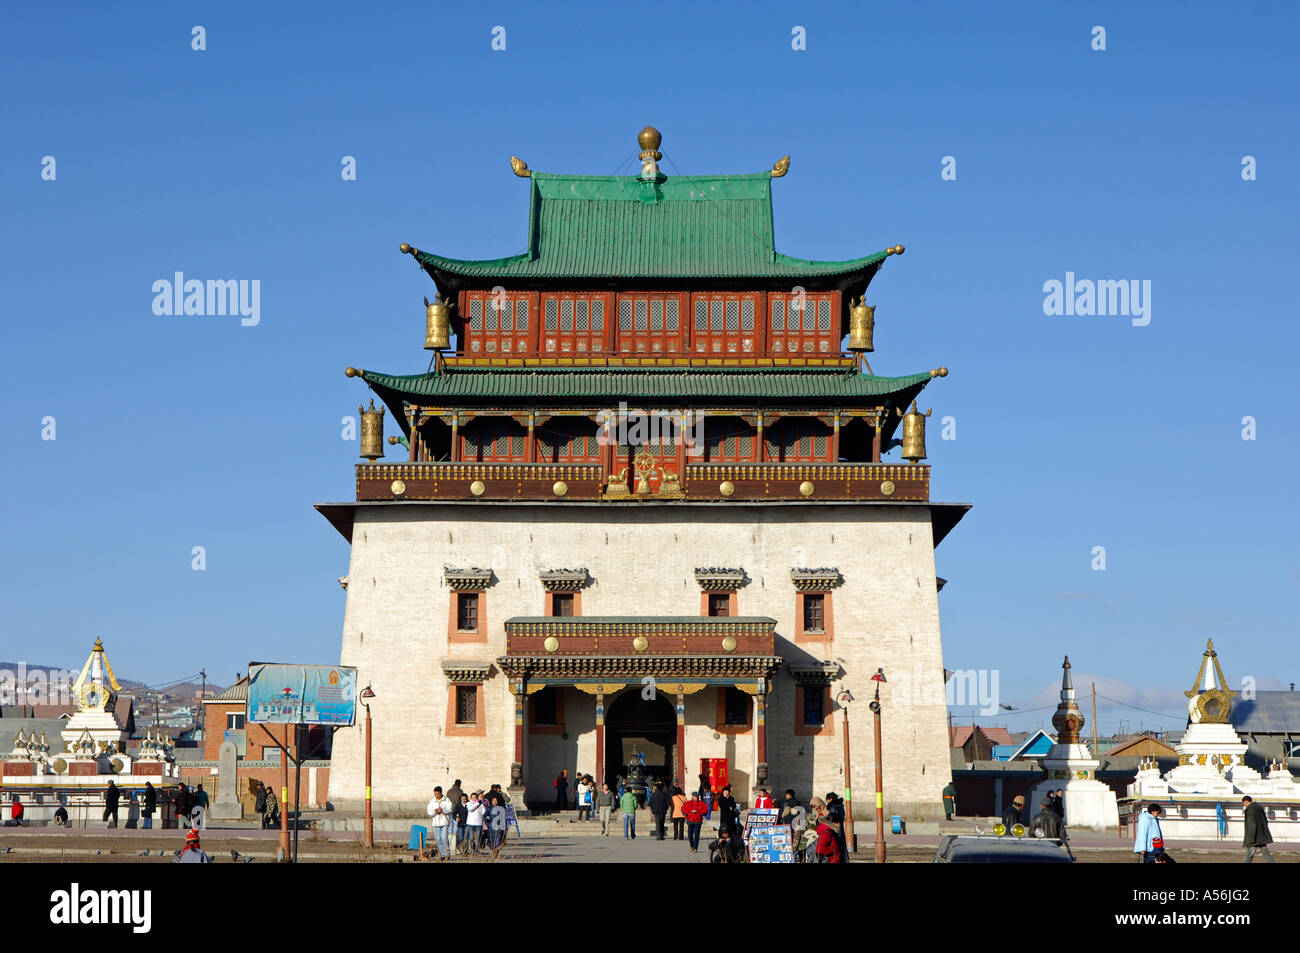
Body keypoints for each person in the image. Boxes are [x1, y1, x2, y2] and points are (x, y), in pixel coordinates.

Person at [1242, 796, 1276, 863]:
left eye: (1244, 803)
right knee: (1266, 853)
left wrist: (1252, 837)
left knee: (1249, 855)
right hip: (1261, 836)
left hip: (1254, 837)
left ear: (1246, 801)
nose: (1244, 805)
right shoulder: (1259, 808)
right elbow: (1265, 821)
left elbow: (1252, 824)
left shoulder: (1250, 810)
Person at [813, 798, 843, 863]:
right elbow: (820, 850)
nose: (839, 825)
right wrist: (834, 849)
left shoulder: (829, 831)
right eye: (838, 823)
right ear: (833, 823)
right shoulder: (826, 832)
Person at [427, 786, 453, 859]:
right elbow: (429, 812)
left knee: (444, 838)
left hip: (444, 822)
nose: (436, 795)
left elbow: (450, 809)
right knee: (438, 839)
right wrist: (434, 812)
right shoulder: (432, 801)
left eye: (438, 794)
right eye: (435, 794)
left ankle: (447, 853)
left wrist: (443, 810)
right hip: (435, 823)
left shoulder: (446, 800)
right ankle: (442, 854)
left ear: (441, 793)